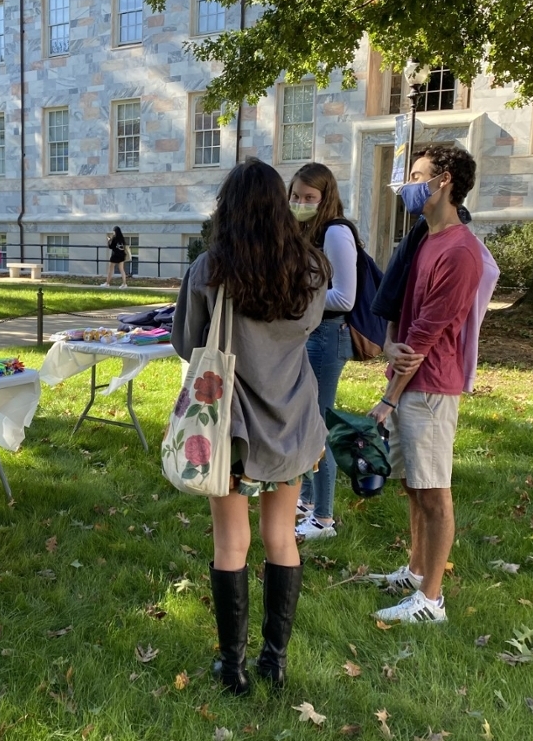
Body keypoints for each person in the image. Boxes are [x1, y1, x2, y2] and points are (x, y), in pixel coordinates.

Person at [172, 159, 330, 695]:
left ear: (228, 208)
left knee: (230, 543)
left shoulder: (209, 269)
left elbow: (187, 346)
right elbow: (307, 329)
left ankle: (233, 667)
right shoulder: (311, 268)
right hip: (291, 421)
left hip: (230, 428)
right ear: (281, 205)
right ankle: (275, 661)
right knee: (281, 537)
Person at [367, 146, 484, 624]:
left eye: (417, 176)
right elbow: (401, 312)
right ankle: (415, 573)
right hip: (411, 379)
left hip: (431, 387)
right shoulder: (424, 238)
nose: (408, 186)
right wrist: (388, 345)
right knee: (414, 487)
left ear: (444, 182)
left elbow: (426, 336)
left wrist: (387, 398)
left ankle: (431, 601)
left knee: (434, 493)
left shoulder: (460, 251)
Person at [289, 163, 356, 542]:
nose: (300, 203)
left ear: (325, 198)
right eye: (296, 196)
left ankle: (324, 519)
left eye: (309, 198)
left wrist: (298, 300)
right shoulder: (305, 231)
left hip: (329, 335)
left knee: (319, 425)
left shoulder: (335, 232)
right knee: (306, 416)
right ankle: (308, 499)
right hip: (311, 333)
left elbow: (346, 296)